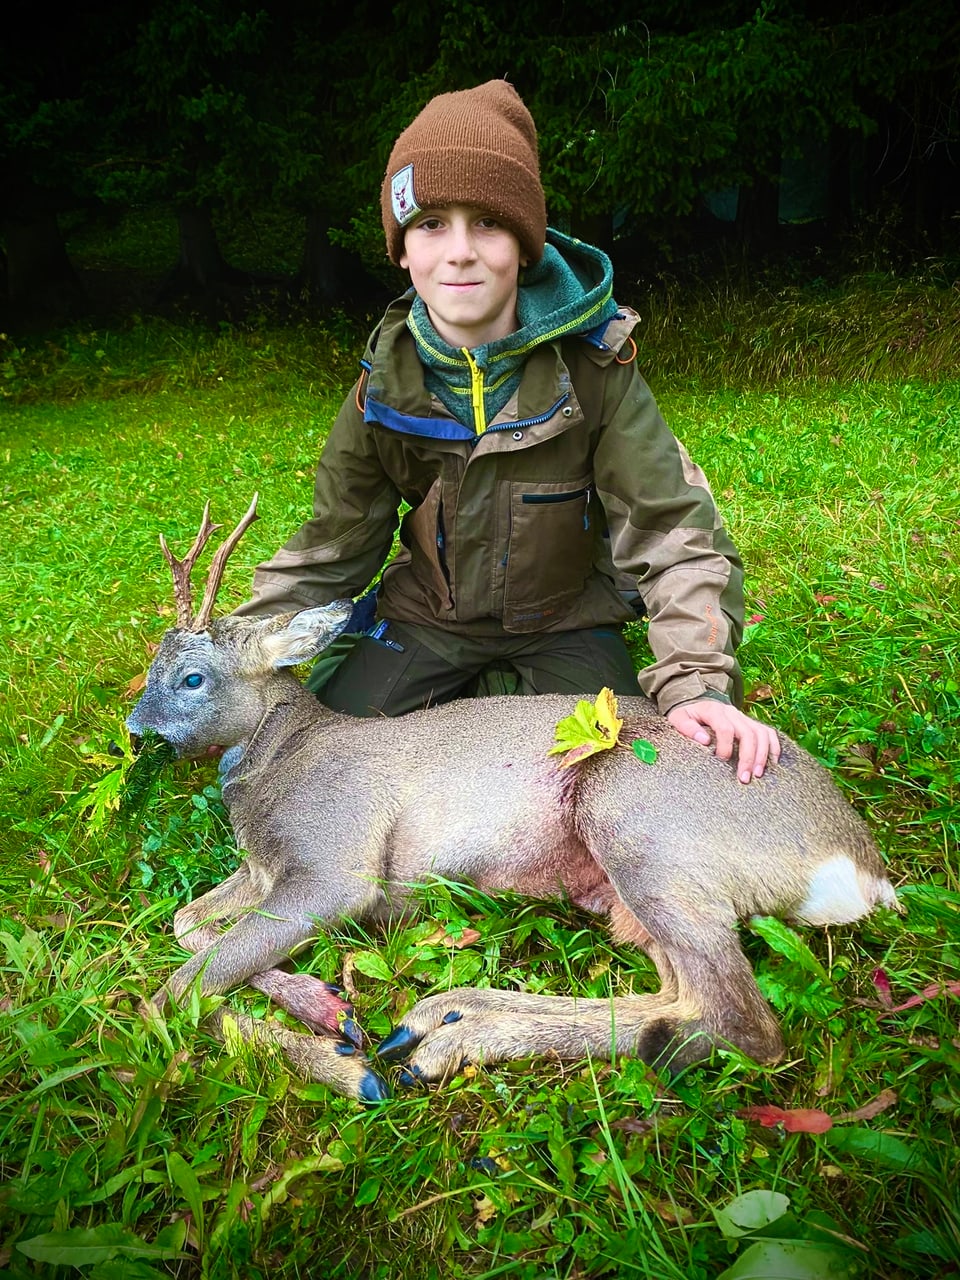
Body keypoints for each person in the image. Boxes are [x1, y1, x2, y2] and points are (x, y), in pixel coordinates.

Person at [235, 79, 780, 782]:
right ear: (401, 249)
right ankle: (477, 691)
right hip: (426, 619)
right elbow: (334, 545)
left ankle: (502, 693)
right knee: (314, 763)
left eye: (487, 223)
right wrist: (233, 649)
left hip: (566, 622)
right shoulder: (383, 380)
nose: (459, 251)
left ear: (524, 245)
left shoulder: (596, 369)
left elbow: (676, 535)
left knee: (628, 769)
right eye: (431, 223)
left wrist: (698, 686)